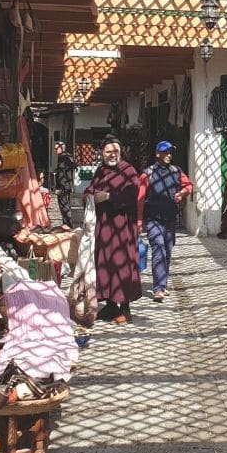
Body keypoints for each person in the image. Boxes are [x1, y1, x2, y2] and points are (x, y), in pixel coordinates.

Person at [83, 135, 142, 324]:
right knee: (104, 265)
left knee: (121, 266)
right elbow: (90, 190)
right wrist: (89, 197)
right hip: (104, 228)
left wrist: (108, 196)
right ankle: (110, 305)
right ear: (102, 153)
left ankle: (125, 309)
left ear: (121, 152)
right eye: (108, 151)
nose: (112, 155)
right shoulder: (100, 171)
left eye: (115, 151)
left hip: (122, 229)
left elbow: (132, 195)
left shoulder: (128, 171)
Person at [137, 140, 194, 302]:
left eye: (170, 152)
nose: (169, 155)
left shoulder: (176, 171)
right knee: (159, 248)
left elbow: (189, 185)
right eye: (165, 152)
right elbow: (140, 198)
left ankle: (163, 283)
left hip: (170, 219)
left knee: (167, 250)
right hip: (152, 218)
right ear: (157, 154)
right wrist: (139, 221)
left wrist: (182, 193)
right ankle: (158, 288)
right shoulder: (147, 174)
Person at [53, 141, 76, 228]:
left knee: (64, 206)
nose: (55, 151)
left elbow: (62, 173)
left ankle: (68, 225)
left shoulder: (62, 158)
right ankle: (67, 224)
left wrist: (59, 187)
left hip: (64, 186)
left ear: (61, 148)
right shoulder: (69, 156)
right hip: (69, 185)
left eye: (56, 149)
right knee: (67, 205)